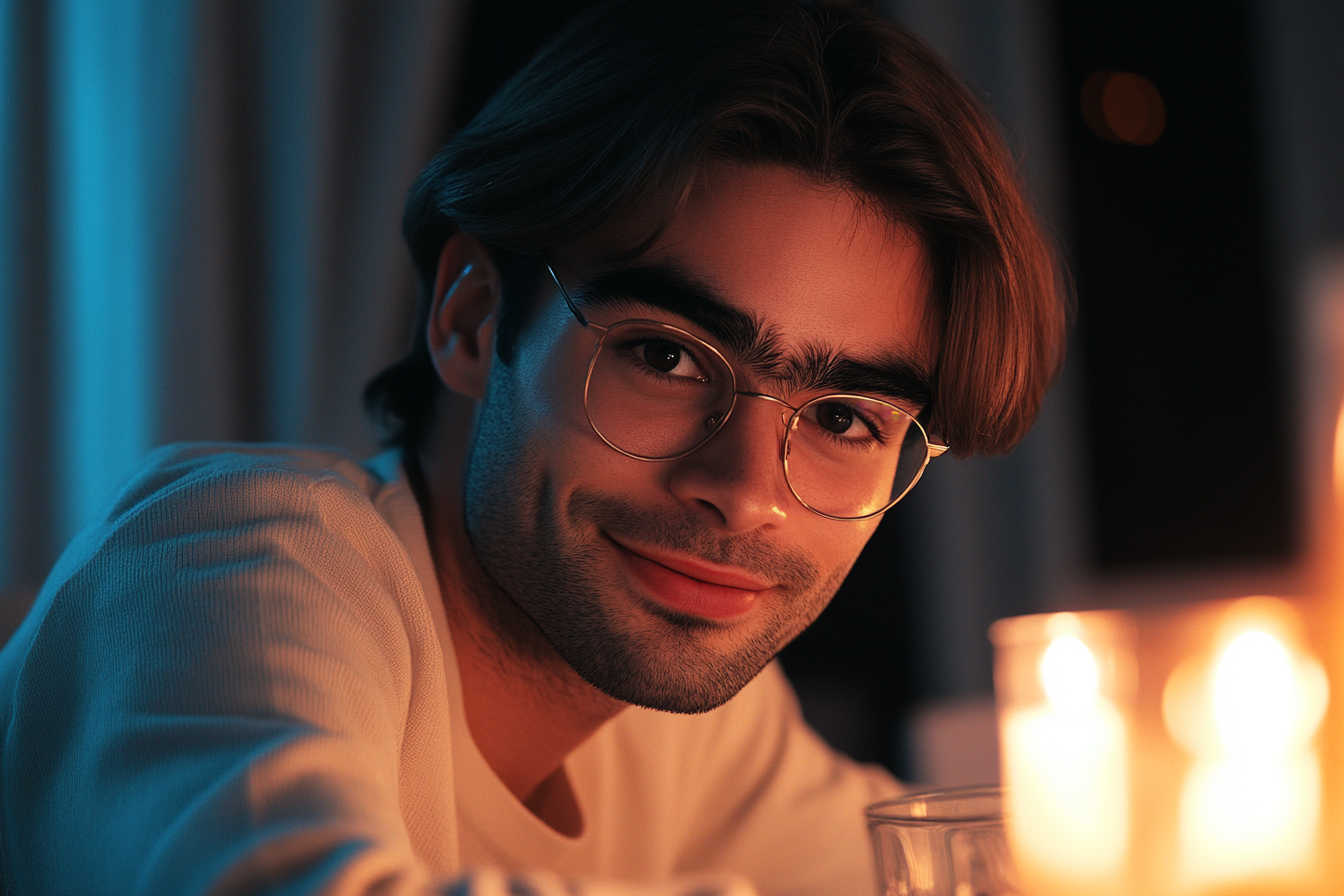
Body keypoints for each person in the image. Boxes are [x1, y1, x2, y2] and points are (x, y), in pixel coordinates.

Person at [0, 1, 1066, 894]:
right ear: (470, 318)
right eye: (667, 354)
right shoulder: (232, 556)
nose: (745, 494)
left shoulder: (689, 725)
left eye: (844, 419)